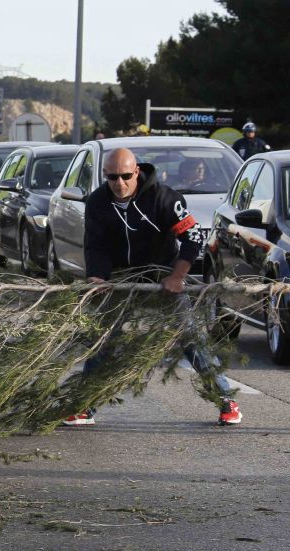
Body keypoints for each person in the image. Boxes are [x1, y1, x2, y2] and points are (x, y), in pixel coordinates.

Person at [63, 148, 242, 427]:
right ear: (104, 175)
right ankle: (85, 406)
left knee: (190, 338)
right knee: (103, 339)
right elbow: (95, 244)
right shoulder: (98, 202)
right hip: (123, 279)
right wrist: (97, 276)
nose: (119, 183)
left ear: (136, 172)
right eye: (112, 177)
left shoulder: (163, 197)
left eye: (125, 176)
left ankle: (226, 400)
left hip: (163, 277)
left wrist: (177, 276)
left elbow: (193, 237)